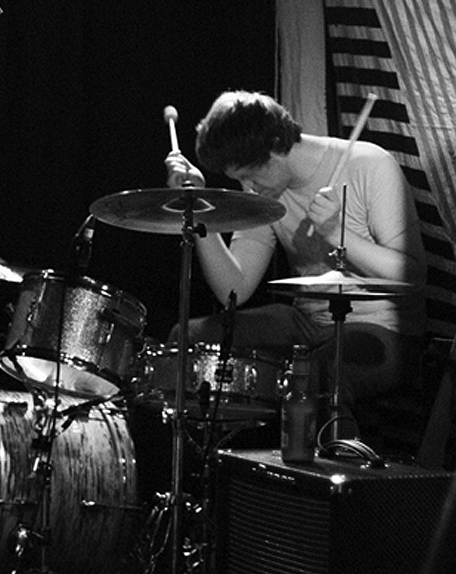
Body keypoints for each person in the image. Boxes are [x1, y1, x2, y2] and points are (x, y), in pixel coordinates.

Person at [165, 90, 427, 424]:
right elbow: (234, 289)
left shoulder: (368, 165)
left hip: (385, 331)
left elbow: (413, 276)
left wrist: (337, 233)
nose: (250, 187)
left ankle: (336, 469)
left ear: (276, 144)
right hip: (305, 324)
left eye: (251, 174)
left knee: (314, 377)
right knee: (187, 340)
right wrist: (198, 205)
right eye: (240, 179)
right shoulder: (266, 189)